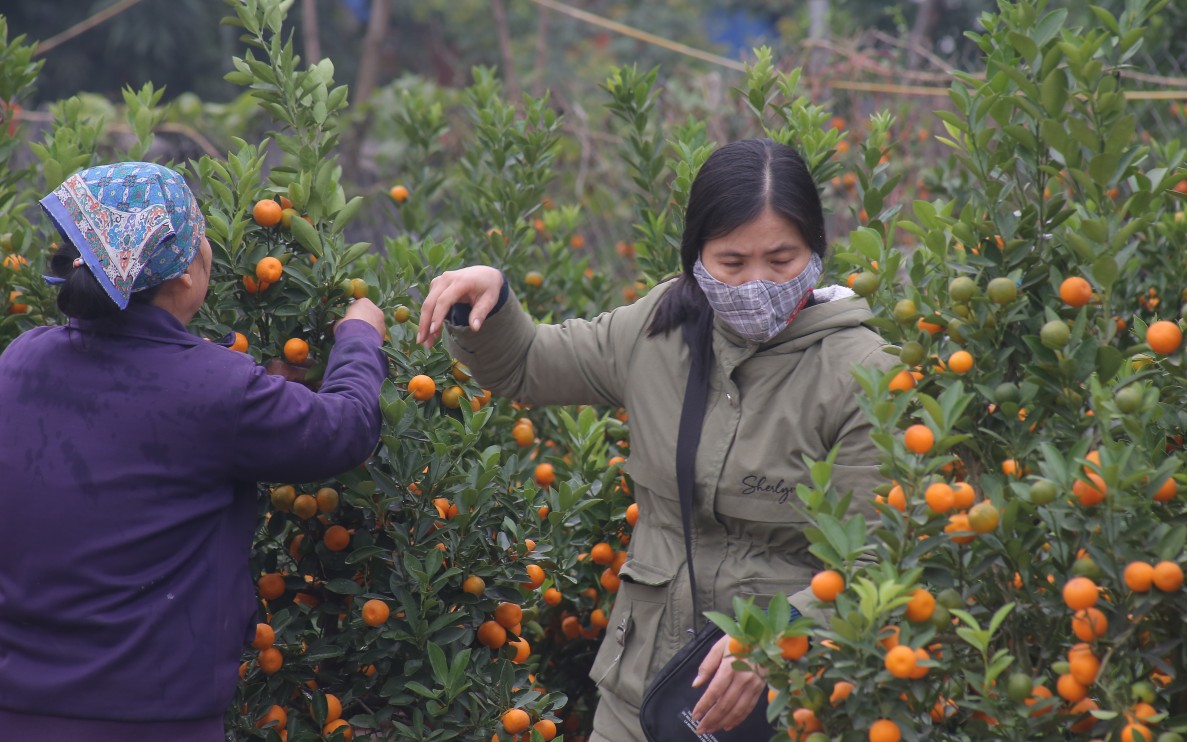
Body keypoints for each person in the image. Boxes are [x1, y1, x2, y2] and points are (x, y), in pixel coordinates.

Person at [418, 138, 893, 740]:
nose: (755, 283)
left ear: (817, 249)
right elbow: (529, 362)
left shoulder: (862, 375)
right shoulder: (660, 329)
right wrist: (488, 299)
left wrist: (783, 637)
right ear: (696, 257)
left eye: (781, 261)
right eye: (731, 262)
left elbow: (881, 562)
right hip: (642, 690)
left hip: (788, 703)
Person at [0, 162, 389, 741]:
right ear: (183, 275)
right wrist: (360, 338)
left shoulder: (23, 358)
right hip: (150, 716)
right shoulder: (219, 389)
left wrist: (263, 389)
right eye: (203, 236)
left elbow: (152, 409)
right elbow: (346, 427)